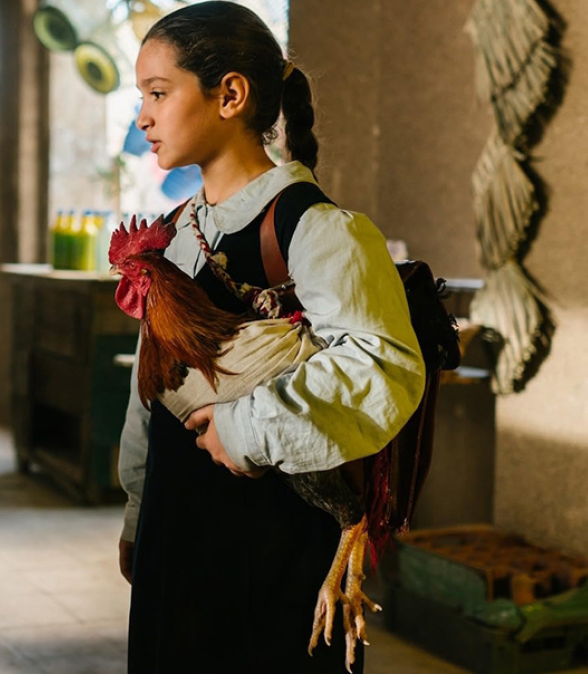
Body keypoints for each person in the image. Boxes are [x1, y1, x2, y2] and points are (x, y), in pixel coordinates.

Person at [115, 4, 425, 673]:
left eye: (158, 94)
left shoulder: (318, 230)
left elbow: (383, 367)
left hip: (275, 540)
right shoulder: (172, 233)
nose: (142, 116)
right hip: (178, 526)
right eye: (141, 96)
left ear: (229, 94)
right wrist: (138, 506)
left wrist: (246, 428)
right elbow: (148, 389)